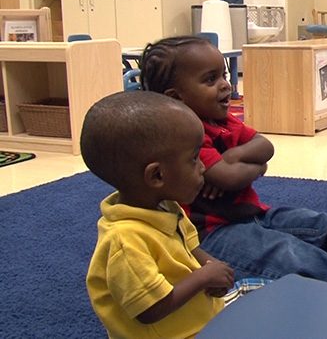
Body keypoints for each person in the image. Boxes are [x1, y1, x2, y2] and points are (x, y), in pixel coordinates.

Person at [139, 35, 327, 303]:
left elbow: (265, 147)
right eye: (210, 79)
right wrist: (247, 167)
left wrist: (237, 158)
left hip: (249, 212)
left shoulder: (222, 122)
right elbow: (229, 177)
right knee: (278, 250)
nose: (226, 85)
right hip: (209, 235)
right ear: (176, 98)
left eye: (224, 75)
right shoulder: (183, 139)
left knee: (312, 222)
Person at [83, 91, 235, 338]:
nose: (203, 167)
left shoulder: (167, 206)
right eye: (194, 158)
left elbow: (191, 249)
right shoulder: (125, 241)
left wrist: (211, 266)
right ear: (156, 176)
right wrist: (203, 278)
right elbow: (151, 309)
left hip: (201, 320)